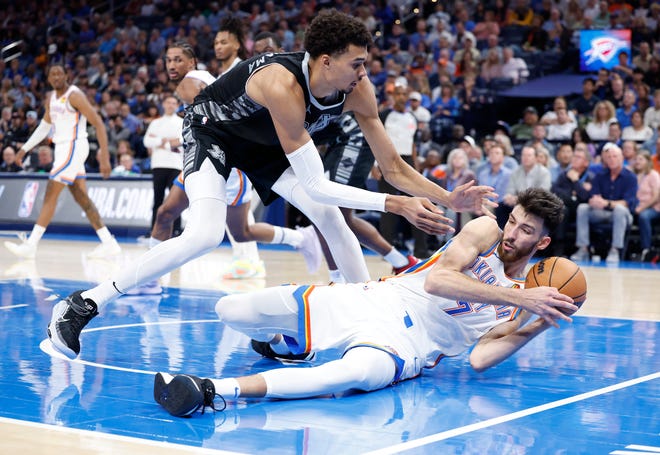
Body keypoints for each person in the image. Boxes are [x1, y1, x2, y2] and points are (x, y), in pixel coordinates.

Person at [47, 10, 495, 360]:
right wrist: (395, 205)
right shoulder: (282, 84)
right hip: (212, 132)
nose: (364, 71)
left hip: (264, 144)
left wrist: (445, 195)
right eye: (357, 62)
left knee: (330, 218)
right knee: (204, 233)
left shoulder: (358, 90)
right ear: (326, 61)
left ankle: (369, 318)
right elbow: (319, 185)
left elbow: (393, 164)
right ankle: (83, 304)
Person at [152, 188, 578, 416]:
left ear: (541, 242)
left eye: (526, 231)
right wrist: (515, 296)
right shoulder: (485, 229)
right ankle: (290, 345)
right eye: (514, 221)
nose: (512, 233)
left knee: (348, 375)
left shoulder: (526, 300)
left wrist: (538, 321)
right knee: (230, 310)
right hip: (379, 298)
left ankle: (209, 391)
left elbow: (481, 359)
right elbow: (440, 281)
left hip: (406, 348)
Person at [4, 64, 121, 260]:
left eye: (60, 73)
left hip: (74, 146)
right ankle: (109, 242)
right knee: (81, 197)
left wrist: (105, 158)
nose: (56, 76)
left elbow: (99, 123)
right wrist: (24, 148)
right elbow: (44, 127)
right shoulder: (51, 97)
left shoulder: (74, 95)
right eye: (52, 73)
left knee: (51, 192)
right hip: (62, 149)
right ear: (48, 78)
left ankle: (31, 245)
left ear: (67, 75)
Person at [314, 111, 419, 283]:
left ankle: (338, 279)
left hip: (353, 141)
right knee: (334, 217)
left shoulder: (285, 102)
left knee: (330, 215)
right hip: (342, 142)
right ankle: (401, 262)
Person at [570, 143, 637, 264]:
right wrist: (594, 201)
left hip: (623, 216)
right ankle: (583, 248)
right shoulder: (600, 176)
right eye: (609, 157)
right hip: (601, 212)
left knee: (620, 210)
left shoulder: (630, 177)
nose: (612, 159)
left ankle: (615, 250)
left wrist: (606, 203)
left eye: (615, 156)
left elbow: (627, 203)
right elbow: (593, 197)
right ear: (605, 159)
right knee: (583, 207)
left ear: (622, 158)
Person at [142, 95, 184, 234]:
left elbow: (181, 142)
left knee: (176, 200)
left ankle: (176, 229)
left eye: (174, 103)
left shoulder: (181, 122)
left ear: (177, 105)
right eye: (168, 102)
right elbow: (147, 141)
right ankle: (154, 229)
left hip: (176, 165)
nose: (171, 105)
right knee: (158, 199)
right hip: (159, 164)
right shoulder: (156, 122)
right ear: (164, 104)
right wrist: (168, 142)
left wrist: (160, 142)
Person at [550, 144, 595, 257]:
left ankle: (563, 248)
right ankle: (557, 247)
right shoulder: (564, 175)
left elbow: (586, 198)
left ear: (586, 163)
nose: (574, 159)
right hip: (565, 209)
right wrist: (573, 196)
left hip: (582, 213)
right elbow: (554, 191)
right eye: (574, 156)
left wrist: (575, 181)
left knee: (571, 208)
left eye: (578, 157)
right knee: (562, 209)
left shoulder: (591, 177)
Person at [498, 145, 552, 228]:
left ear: (535, 158)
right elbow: (509, 191)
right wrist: (509, 197)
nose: (525, 158)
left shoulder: (544, 173)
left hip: (535, 204)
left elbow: (542, 194)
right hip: (517, 203)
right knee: (501, 206)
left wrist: (520, 199)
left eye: (529, 155)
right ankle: (502, 235)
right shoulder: (516, 172)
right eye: (523, 155)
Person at [632, 150, 660, 261]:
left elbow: (656, 196)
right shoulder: (633, 175)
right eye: (636, 159)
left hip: (653, 208)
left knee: (644, 216)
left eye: (641, 159)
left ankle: (646, 249)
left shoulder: (653, 175)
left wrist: (641, 208)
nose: (637, 162)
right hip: (636, 206)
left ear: (648, 161)